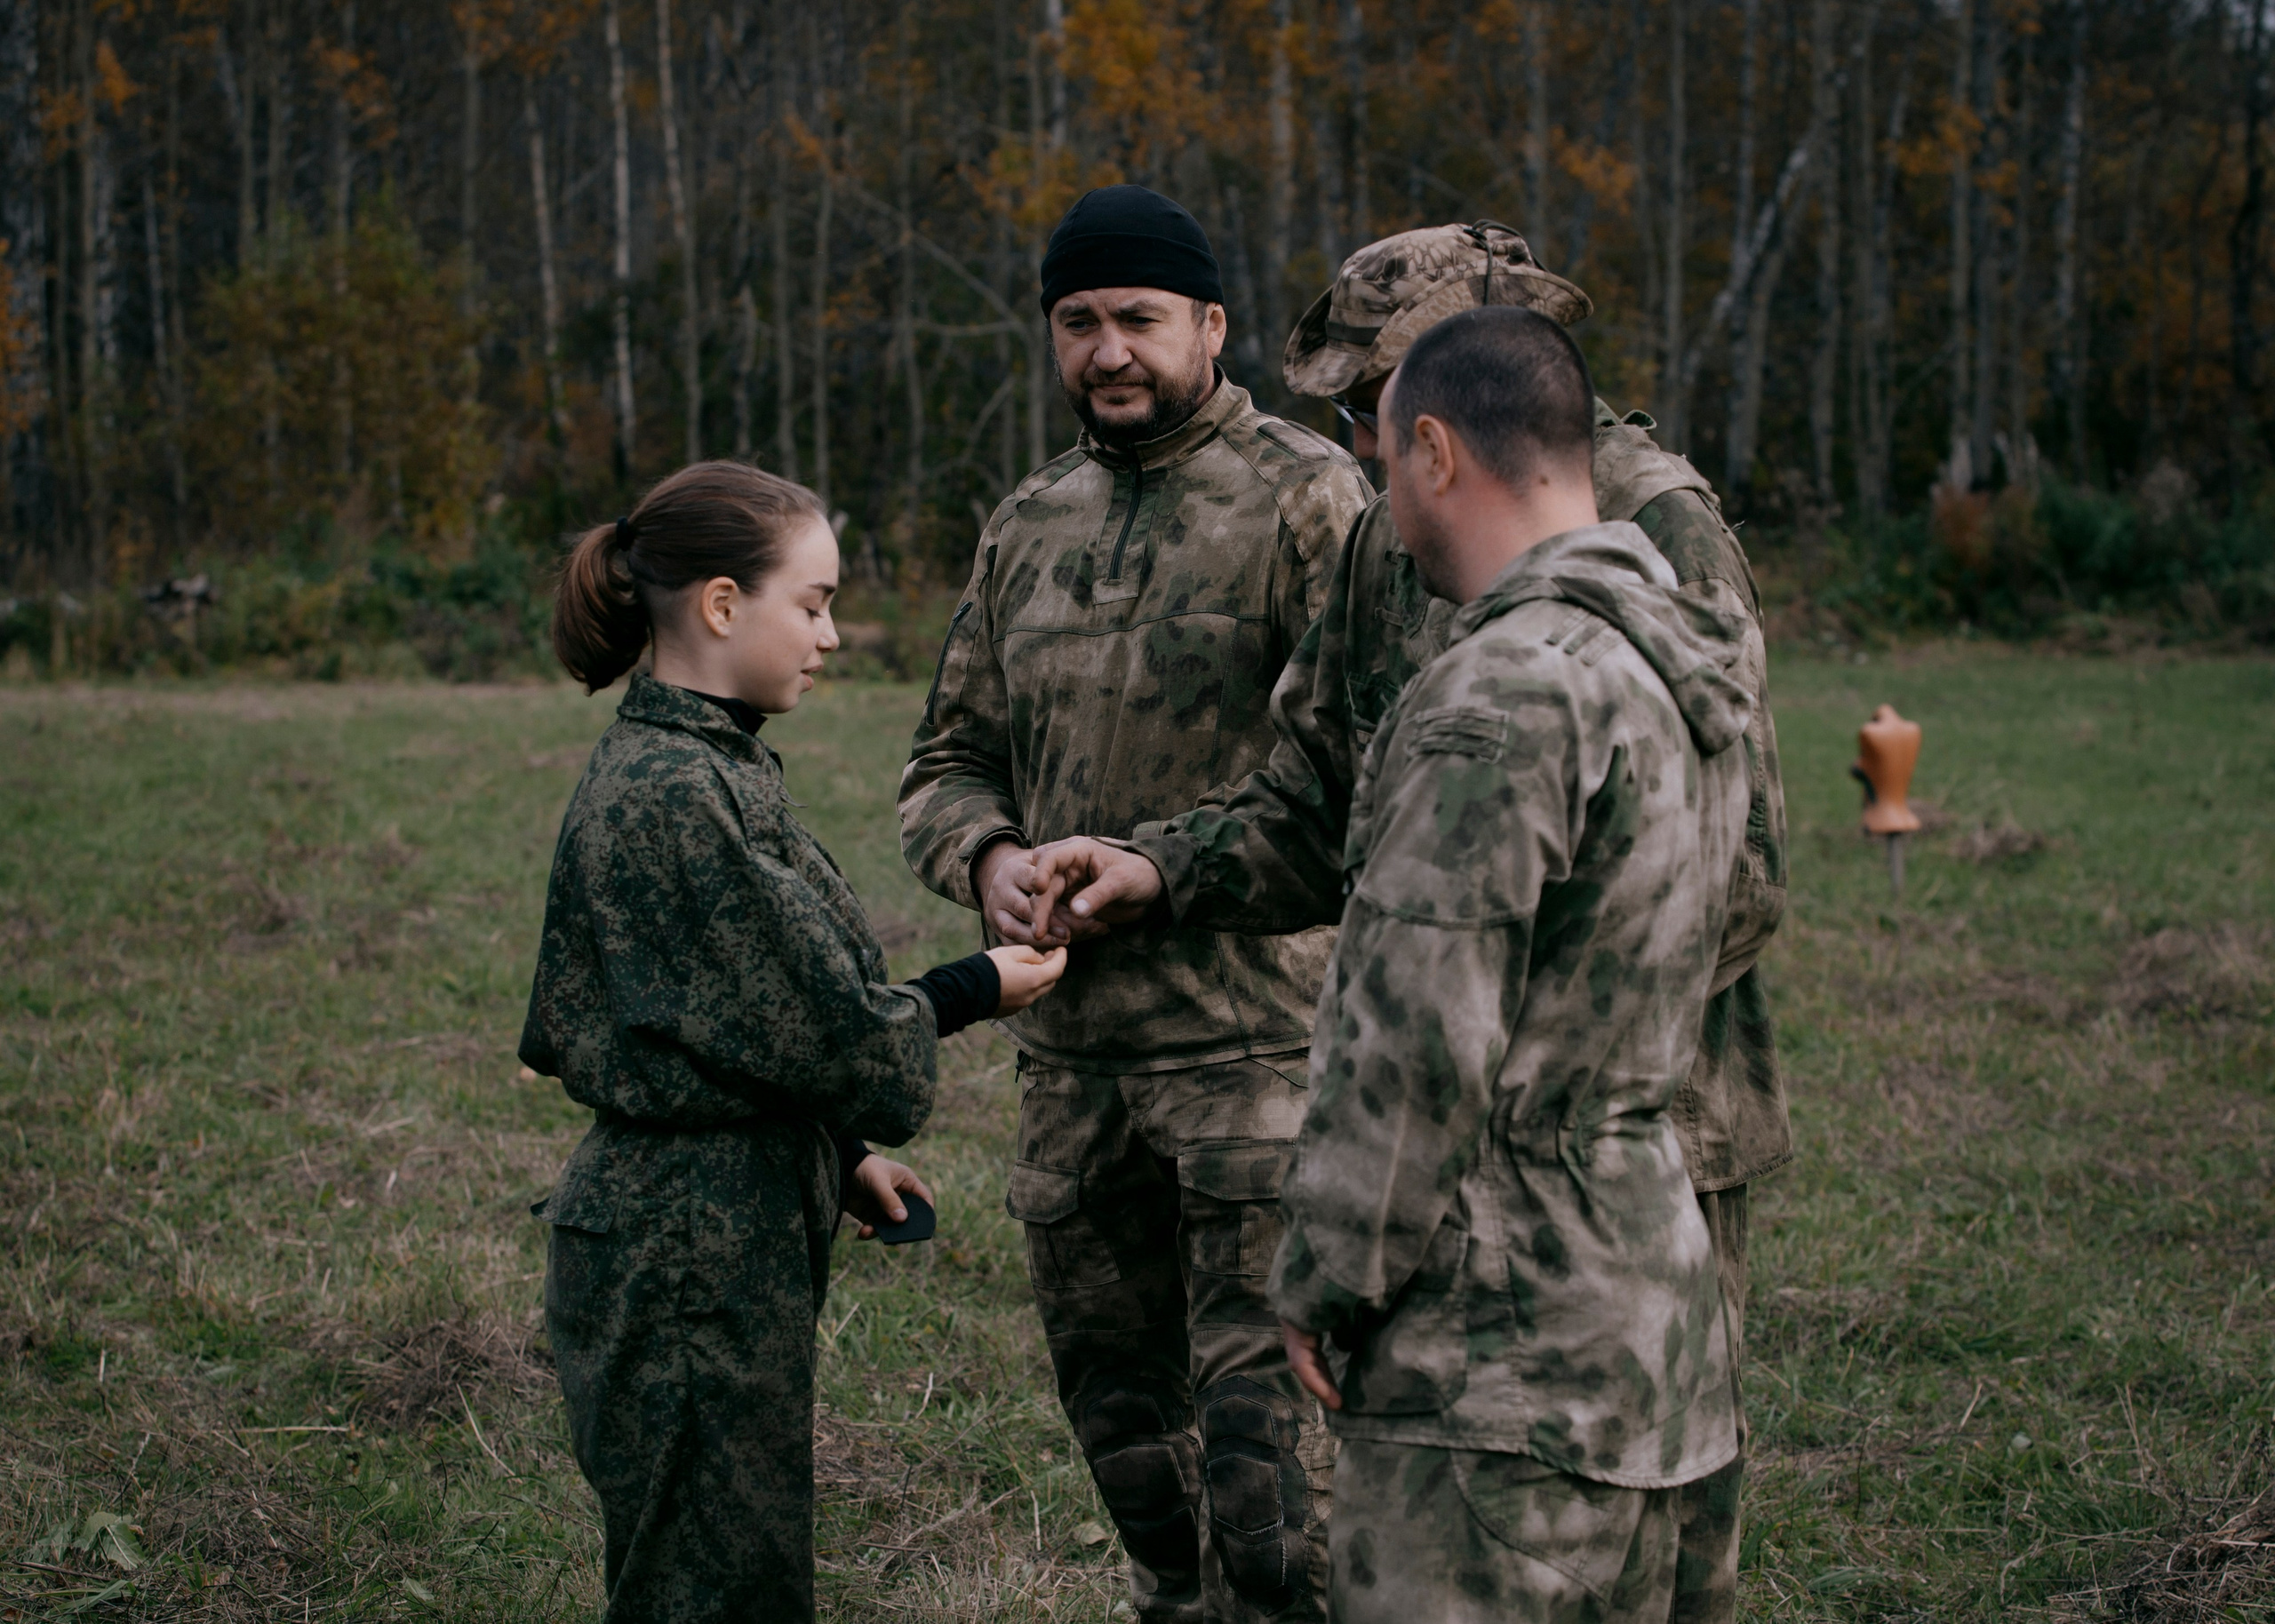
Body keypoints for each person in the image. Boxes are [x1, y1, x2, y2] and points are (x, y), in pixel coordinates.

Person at [1023, 223, 1788, 1621]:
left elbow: (1734, 869)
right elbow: (1320, 790)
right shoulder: (1397, 541)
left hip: (1617, 1139)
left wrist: (1523, 1015)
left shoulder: (1650, 533)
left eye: (1380, 399)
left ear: (1473, 393)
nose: (1363, 439)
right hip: (1456, 1162)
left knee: (1579, 1518)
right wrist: (1163, 867)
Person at [897, 186, 1375, 1622]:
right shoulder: (1027, 524)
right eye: (1080, 322)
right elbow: (946, 762)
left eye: (1140, 321)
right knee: (1133, 1460)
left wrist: (1159, 865)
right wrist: (988, 860)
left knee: (1273, 1496)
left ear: (1211, 327)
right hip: (1071, 1077)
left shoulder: (1310, 499)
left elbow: (1359, 769)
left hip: (1256, 1067)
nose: (1110, 352)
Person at [519, 461, 1066, 1624]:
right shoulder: (674, 790)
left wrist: (838, 1153)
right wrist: (976, 985)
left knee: (738, 1570)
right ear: (722, 606)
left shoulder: (714, 761)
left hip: (720, 1231)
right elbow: (832, 1029)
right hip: (684, 1261)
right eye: (811, 604)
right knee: (706, 1593)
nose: (830, 636)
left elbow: (735, 1023)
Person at [1278, 304, 1752, 1621]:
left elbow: (1416, 1032)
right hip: (1659, 1322)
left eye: (1380, 464)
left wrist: (1328, 1271)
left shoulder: (1505, 691)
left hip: (1498, 1354)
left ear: (1433, 451)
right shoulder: (1680, 663)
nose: (1384, 500)